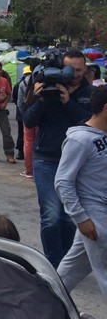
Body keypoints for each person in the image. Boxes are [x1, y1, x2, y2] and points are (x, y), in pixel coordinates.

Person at [24, 50, 93, 268]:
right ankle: (54, 265)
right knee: (51, 215)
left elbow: (88, 122)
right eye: (70, 69)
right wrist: (41, 99)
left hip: (78, 162)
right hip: (46, 159)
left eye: (79, 70)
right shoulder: (45, 87)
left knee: (69, 216)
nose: (74, 74)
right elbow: (28, 121)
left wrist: (67, 101)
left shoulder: (90, 93)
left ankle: (65, 263)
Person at [55, 85, 107, 303]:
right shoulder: (80, 140)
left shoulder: (101, 136)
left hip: (99, 215)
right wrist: (81, 218)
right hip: (95, 216)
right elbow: (63, 182)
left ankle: (42, 304)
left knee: (70, 270)